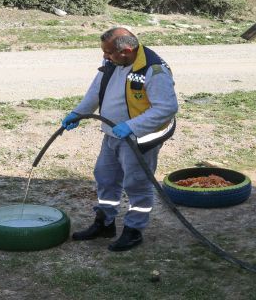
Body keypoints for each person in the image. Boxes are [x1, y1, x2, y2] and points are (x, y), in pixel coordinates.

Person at [61, 27, 178, 251]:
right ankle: (105, 223)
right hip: (113, 133)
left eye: (108, 52)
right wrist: (78, 113)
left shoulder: (153, 70)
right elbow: (96, 91)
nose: (105, 56)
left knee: (137, 184)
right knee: (105, 177)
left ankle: (134, 230)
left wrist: (132, 126)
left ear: (125, 50)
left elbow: (167, 108)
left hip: (140, 139)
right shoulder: (113, 63)